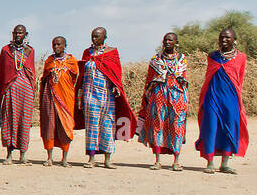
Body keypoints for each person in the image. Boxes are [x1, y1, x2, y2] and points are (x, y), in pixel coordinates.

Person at [75, 27, 137, 169]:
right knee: (92, 126)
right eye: (93, 36)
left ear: (105, 37)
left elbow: (116, 73)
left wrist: (116, 85)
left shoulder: (112, 53)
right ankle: (91, 158)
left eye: (97, 36)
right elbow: (82, 73)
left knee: (107, 126)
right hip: (89, 95)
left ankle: (108, 158)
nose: (94, 39)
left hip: (107, 95)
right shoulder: (87, 52)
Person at [195, 28, 249, 175]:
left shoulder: (241, 57)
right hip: (212, 97)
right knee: (210, 127)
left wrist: (238, 99)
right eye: (221, 37)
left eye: (227, 37)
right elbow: (208, 77)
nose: (224, 40)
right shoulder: (212, 56)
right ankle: (210, 162)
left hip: (231, 98)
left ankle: (225, 164)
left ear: (234, 40)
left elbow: (240, 79)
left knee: (229, 128)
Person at [138, 32, 188, 171]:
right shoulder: (156, 59)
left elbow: (183, 78)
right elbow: (149, 80)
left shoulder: (182, 59)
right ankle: (157, 160)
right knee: (158, 124)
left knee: (177, 126)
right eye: (165, 40)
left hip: (177, 96)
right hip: (159, 95)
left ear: (176, 43)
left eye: (170, 40)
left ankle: (176, 161)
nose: (167, 42)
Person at [0, 25, 37, 165]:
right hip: (10, 89)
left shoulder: (30, 51)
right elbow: (1, 72)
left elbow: (31, 72)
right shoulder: (6, 50)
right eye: (15, 33)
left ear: (25, 34)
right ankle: (9, 154)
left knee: (24, 121)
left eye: (20, 33)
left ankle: (23, 154)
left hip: (26, 90)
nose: (18, 35)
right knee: (9, 120)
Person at [39, 36, 78, 166]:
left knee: (65, 126)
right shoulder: (49, 61)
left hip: (66, 98)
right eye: (54, 44)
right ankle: (49, 158)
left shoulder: (72, 61)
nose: (56, 47)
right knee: (49, 126)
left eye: (58, 44)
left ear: (65, 45)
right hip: (50, 96)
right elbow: (44, 78)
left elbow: (74, 79)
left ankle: (64, 159)